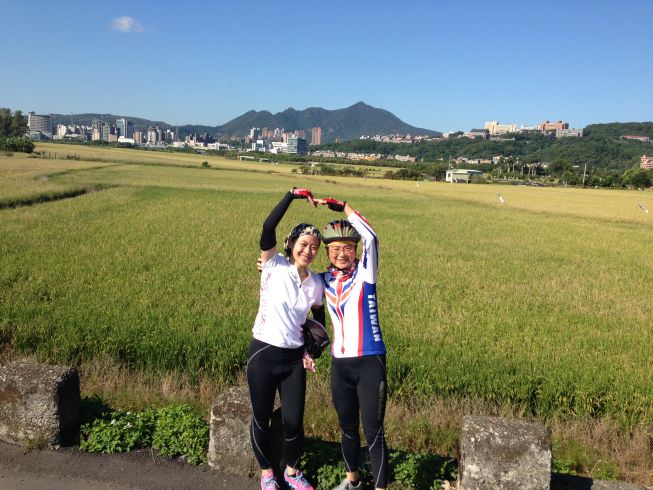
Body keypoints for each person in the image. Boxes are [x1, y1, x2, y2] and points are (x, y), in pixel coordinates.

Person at [248, 188, 326, 490]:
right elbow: (268, 226)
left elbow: (318, 318)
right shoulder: (273, 264)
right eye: (303, 244)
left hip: (293, 360)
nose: (308, 250)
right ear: (291, 244)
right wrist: (291, 196)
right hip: (263, 353)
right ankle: (267, 473)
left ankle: (292, 473)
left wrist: (312, 348)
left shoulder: (316, 283)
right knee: (261, 418)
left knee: (294, 420)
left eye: (314, 247)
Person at [314, 197, 388, 490]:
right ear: (327, 252)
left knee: (373, 430)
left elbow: (371, 237)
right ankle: (352, 481)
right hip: (340, 364)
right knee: (346, 426)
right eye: (335, 249)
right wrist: (267, 264)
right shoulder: (323, 281)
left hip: (370, 361)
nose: (341, 254)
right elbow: (296, 276)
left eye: (347, 248)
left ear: (355, 250)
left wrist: (345, 207)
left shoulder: (365, 273)